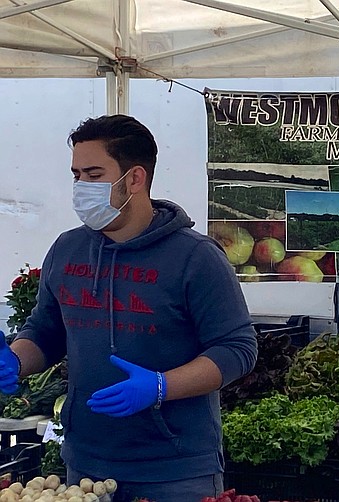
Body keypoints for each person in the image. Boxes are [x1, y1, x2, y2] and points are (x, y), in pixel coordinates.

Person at [0, 115, 258, 502]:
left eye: (93, 174)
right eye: (76, 175)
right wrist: (16, 359)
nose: (80, 187)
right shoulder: (67, 249)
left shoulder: (197, 258)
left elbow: (237, 349)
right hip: (83, 465)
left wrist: (160, 386)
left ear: (135, 179)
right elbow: (46, 331)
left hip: (174, 471)